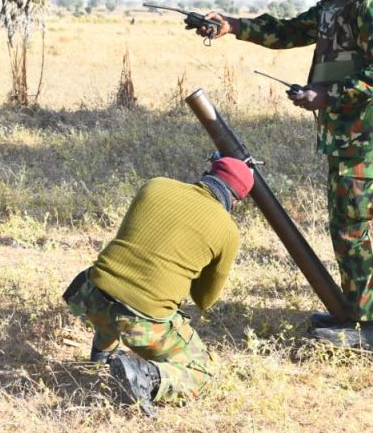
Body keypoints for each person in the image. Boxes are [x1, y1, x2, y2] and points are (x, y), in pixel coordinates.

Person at [198, 0, 373, 354]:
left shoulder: (372, 2)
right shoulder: (339, 1)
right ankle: (352, 312)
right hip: (347, 134)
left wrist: (327, 95)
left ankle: (369, 328)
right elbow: (292, 31)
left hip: (369, 134)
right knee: (345, 226)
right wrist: (232, 25)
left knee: (351, 228)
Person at [62, 156, 254, 417]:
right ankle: (145, 376)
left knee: (117, 297)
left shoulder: (156, 185)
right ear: (236, 201)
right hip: (139, 321)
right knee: (205, 373)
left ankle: (100, 361)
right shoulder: (227, 230)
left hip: (89, 295)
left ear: (207, 173)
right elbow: (204, 300)